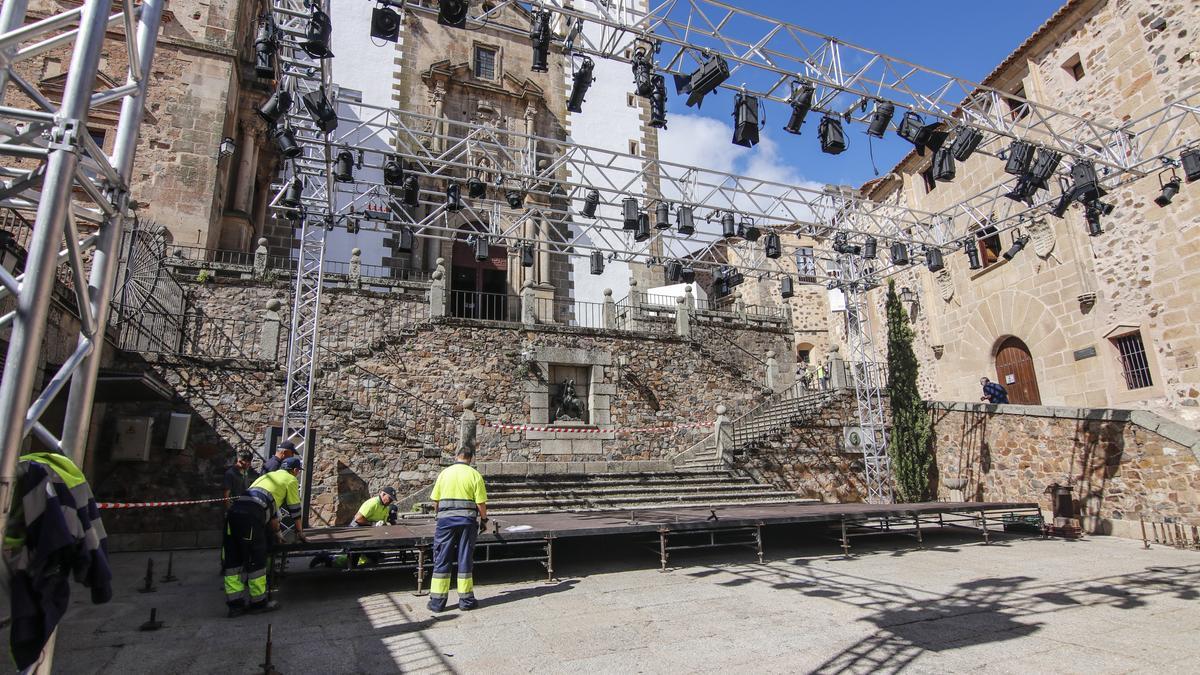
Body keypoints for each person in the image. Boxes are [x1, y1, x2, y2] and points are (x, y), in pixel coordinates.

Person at [221, 456, 306, 617]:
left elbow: (272, 514)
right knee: (256, 558)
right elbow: (295, 508)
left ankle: (235, 606)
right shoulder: (290, 480)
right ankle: (258, 602)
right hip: (251, 517)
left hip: (234, 514)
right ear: (295, 471)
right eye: (297, 472)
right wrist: (300, 532)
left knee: (233, 559)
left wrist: (277, 533)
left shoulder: (266, 477)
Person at [427, 448, 488, 612]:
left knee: (442, 557)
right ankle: (466, 601)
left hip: (445, 522)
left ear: (456, 457)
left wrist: (438, 515)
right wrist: (484, 520)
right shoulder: (474, 475)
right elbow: (481, 504)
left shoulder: (444, 474)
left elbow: (435, 501)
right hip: (467, 522)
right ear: (471, 459)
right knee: (464, 558)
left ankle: (437, 603)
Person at [309, 487, 398, 569]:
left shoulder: (386, 507)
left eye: (392, 500)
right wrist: (373, 524)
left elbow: (383, 521)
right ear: (382, 494)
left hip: (369, 533)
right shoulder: (373, 503)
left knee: (374, 557)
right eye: (389, 498)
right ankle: (325, 558)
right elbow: (358, 519)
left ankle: (370, 557)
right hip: (357, 531)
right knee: (352, 559)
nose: (390, 501)